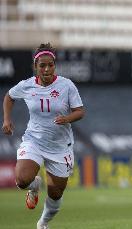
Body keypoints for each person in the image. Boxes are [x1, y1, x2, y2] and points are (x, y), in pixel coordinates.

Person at [2, 43, 85, 229]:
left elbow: (80, 111)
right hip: (34, 141)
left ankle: (42, 223)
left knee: (56, 194)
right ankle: (34, 186)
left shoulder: (66, 85)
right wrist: (7, 120)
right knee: (22, 180)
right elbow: (9, 96)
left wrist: (67, 118)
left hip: (60, 146)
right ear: (35, 66)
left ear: (54, 65)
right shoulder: (26, 85)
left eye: (50, 65)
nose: (46, 69)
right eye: (42, 65)